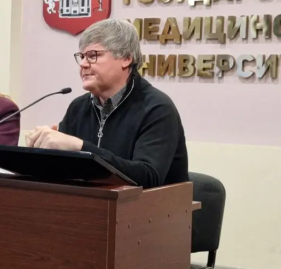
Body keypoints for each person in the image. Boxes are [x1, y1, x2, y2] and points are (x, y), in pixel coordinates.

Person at [25, 18, 188, 188]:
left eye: (93, 56)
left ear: (125, 58)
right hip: (87, 203)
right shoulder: (78, 108)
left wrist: (80, 147)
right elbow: (65, 171)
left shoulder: (157, 109)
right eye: (82, 56)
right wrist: (43, 151)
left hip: (147, 205)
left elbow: (147, 177)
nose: (83, 64)